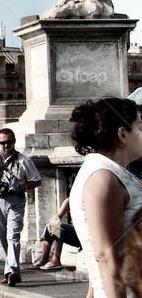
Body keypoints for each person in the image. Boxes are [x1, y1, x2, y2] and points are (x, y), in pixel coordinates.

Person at [69, 97, 142, 298]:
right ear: (122, 134)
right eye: (140, 127)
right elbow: (105, 257)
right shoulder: (103, 178)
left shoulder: (110, 173)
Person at [0, 127, 42, 287]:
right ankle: (13, 271)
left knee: (13, 235)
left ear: (14, 142)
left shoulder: (24, 161)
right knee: (2, 235)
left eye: (8, 142)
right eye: (3, 143)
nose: (6, 146)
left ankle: (11, 270)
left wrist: (23, 187)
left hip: (16, 200)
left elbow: (37, 180)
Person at [31, 197, 81, 270]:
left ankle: (56, 260)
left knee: (60, 227)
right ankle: (43, 259)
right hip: (76, 234)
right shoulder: (70, 200)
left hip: (86, 235)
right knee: (52, 225)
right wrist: (52, 223)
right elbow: (58, 216)